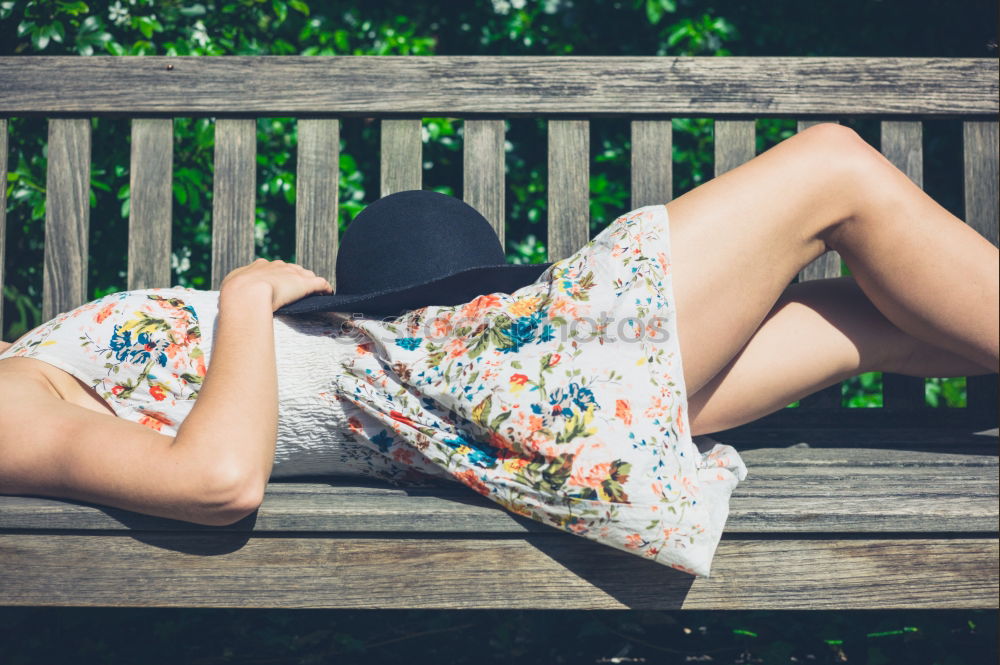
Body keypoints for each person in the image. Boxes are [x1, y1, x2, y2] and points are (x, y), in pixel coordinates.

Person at [0, 123, 997, 578]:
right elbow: (217, 479)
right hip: (498, 374)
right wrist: (248, 293)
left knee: (860, 320)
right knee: (831, 168)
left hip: (507, 386)